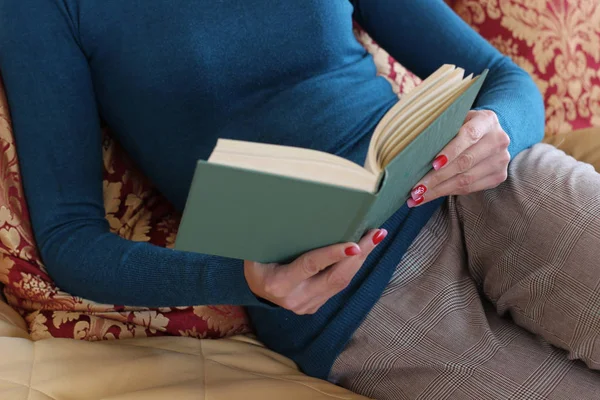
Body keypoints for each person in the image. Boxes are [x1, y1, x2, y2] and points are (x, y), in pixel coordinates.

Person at [1, 1, 599, 398]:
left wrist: (498, 128)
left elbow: (502, 74)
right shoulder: (43, 9)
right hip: (346, 300)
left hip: (474, 186)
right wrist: (241, 280)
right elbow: (70, 239)